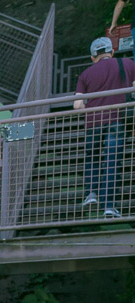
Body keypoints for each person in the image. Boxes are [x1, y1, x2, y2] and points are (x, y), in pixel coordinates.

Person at [74, 36, 135, 218]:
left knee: (92, 157)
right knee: (112, 160)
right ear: (112, 52)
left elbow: (77, 105)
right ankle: (109, 206)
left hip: (93, 122)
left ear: (93, 57)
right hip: (117, 120)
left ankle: (91, 195)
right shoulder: (127, 64)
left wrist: (91, 109)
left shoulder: (85, 74)